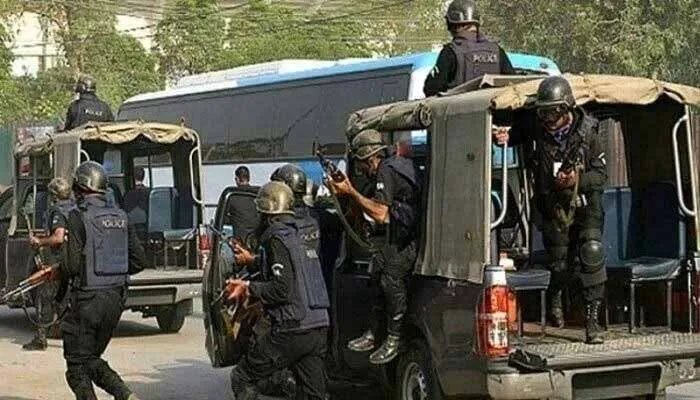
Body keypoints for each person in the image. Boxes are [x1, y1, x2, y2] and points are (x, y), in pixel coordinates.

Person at [493, 76, 607, 344]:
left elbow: (601, 176)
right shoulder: (536, 128)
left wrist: (576, 180)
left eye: (553, 112)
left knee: (591, 252)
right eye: (543, 113)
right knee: (559, 263)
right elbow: (512, 135)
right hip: (553, 206)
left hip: (585, 205)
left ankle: (592, 321)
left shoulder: (588, 132)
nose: (548, 118)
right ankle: (556, 296)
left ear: (566, 109)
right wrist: (503, 136)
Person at [227, 181, 330, 400]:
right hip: (318, 326)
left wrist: (248, 287)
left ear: (266, 213)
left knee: (243, 377)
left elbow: (281, 289)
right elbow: (291, 269)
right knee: (313, 394)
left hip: (293, 328)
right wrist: (253, 261)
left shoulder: (275, 236)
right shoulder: (302, 232)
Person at [327, 129, 421, 364]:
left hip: (412, 237)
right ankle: (374, 332)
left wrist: (350, 191)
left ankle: (394, 338)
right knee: (377, 270)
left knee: (390, 277)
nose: (360, 170)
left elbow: (380, 213)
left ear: (370, 158)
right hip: (404, 233)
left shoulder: (386, 169)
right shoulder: (394, 165)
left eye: (361, 164)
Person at [62, 161, 148, 400]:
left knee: (76, 366)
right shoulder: (122, 216)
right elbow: (140, 261)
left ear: (80, 188)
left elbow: (71, 266)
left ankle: (123, 393)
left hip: (88, 300)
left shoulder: (78, 216)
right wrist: (114, 272)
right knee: (89, 359)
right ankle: (126, 395)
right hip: (116, 299)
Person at [23, 178, 76, 351]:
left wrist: (40, 241)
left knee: (45, 298)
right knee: (65, 299)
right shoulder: (75, 208)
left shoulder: (57, 210)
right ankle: (69, 337)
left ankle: (41, 338)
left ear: (54, 195)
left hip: (57, 260)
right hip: (72, 260)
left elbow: (58, 237)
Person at [423, 0, 515, 97]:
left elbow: (431, 89)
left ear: (453, 24)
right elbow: (514, 83)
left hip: (459, 106)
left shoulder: (451, 52)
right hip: (492, 106)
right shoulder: (497, 50)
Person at [225, 166, 261, 243]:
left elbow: (223, 218)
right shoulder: (259, 193)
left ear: (237, 179)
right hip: (258, 239)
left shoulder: (232, 196)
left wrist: (234, 219)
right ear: (249, 178)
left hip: (240, 241)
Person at [122, 166, 150, 243]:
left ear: (132, 177)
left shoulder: (128, 194)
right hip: (148, 227)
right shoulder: (150, 193)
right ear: (143, 177)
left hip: (133, 229)